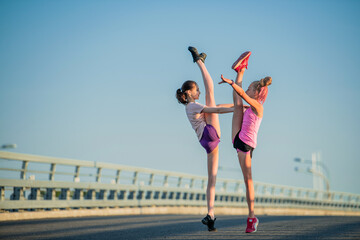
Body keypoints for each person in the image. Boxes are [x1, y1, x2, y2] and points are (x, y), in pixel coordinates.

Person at [176, 46, 234, 232]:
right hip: (210, 133)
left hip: (207, 141)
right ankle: (199, 62)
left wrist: (239, 105)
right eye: (196, 90)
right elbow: (215, 110)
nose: (198, 92)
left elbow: (215, 108)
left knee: (212, 179)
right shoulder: (192, 106)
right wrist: (237, 109)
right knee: (211, 94)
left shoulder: (191, 107)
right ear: (190, 93)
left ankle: (210, 215)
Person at [219, 52, 272, 233]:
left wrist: (233, 84)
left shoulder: (258, 107)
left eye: (250, 89)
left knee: (248, 181)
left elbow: (243, 95)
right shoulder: (250, 105)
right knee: (237, 103)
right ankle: (240, 69)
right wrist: (211, 109)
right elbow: (240, 98)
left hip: (245, 146)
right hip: (238, 137)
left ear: (257, 93)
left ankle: (251, 216)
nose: (248, 91)